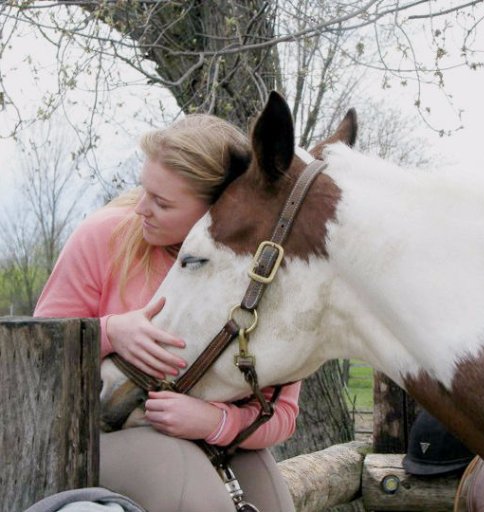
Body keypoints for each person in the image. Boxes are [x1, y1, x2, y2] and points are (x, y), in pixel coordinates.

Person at [33, 114, 300, 512]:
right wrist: (108, 333)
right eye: (145, 190)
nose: (141, 208)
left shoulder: (260, 277)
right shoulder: (104, 236)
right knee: (186, 484)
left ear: (217, 212)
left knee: (274, 502)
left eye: (162, 202)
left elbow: (282, 411)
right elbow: (34, 357)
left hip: (208, 438)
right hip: (91, 435)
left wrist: (214, 422)